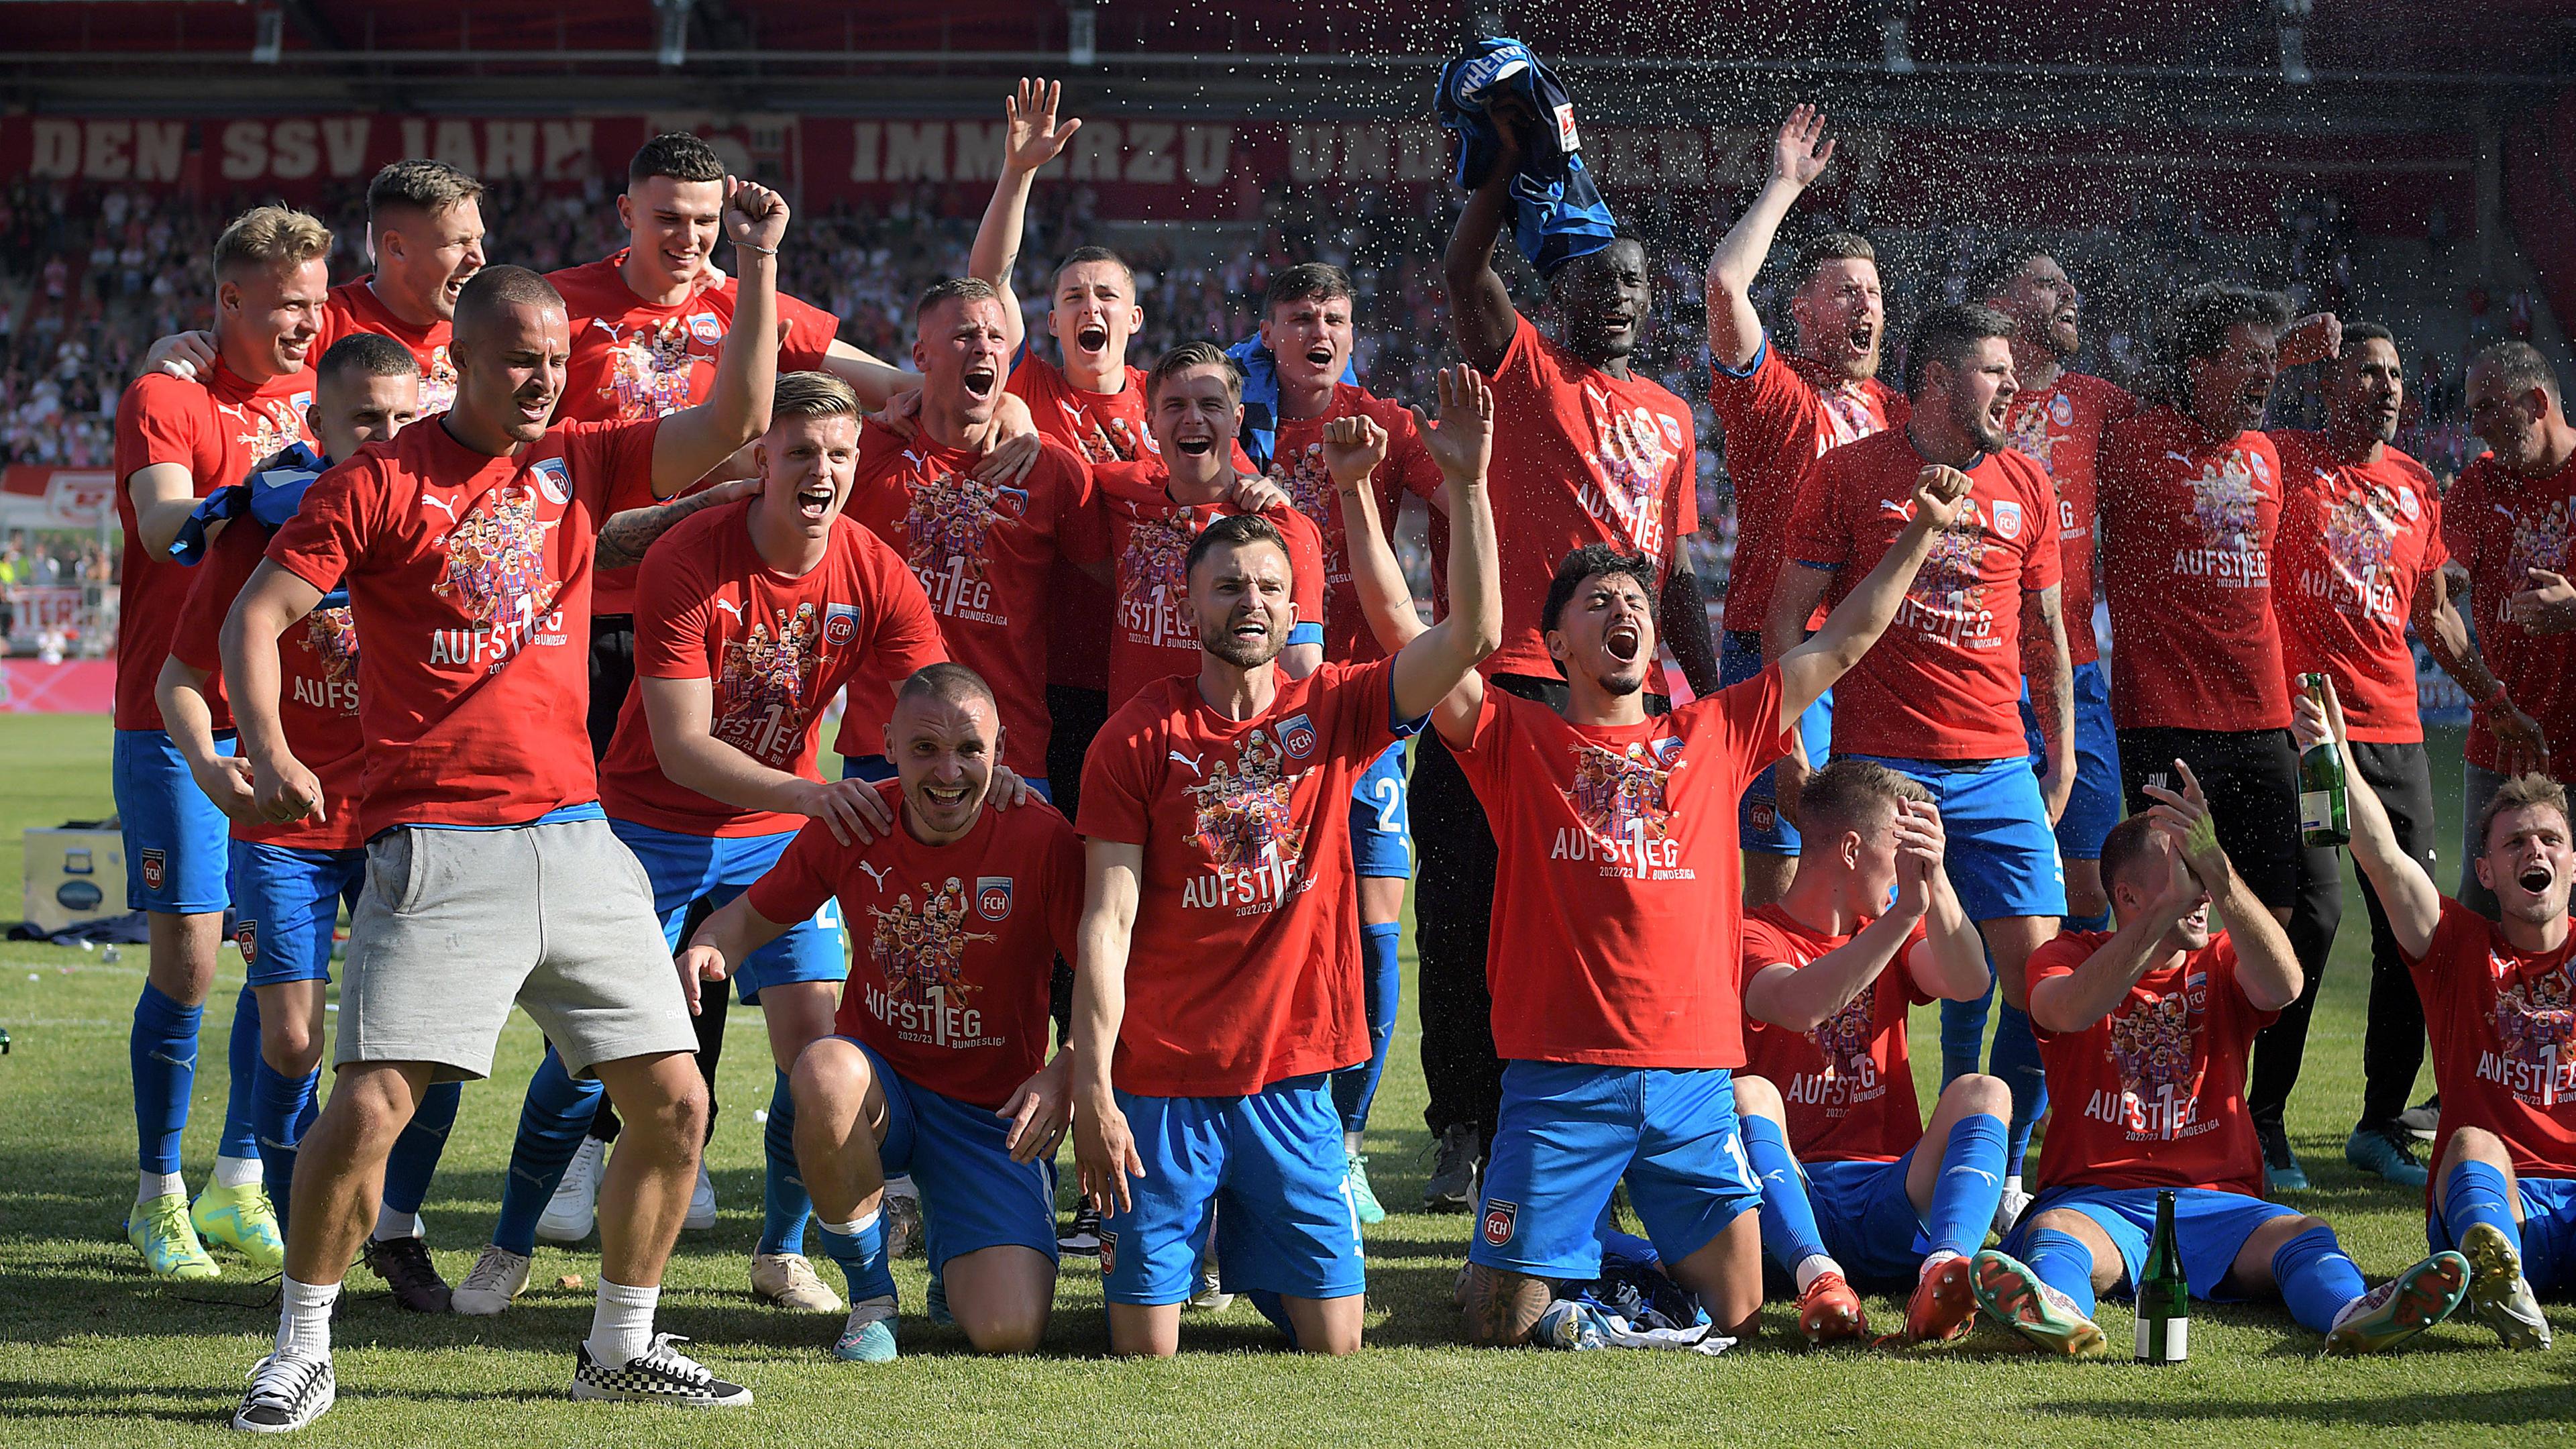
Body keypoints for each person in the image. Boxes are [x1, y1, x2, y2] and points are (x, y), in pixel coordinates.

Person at [215, 184, 788, 1428]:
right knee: (370, 1103)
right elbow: (254, 615)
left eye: (557, 364)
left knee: (677, 1099)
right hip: (437, 840)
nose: (541, 384)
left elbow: (740, 412)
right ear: (457, 363)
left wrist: (755, 260)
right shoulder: (376, 481)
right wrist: (266, 742)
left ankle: (620, 1344)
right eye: (520, 364)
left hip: (579, 839)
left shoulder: (578, 463)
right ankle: (301, 1345)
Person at [1420, 451, 1974, 1347]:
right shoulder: (1516, 739)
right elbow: (1434, 647)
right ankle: (1568, 1257)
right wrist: (1437, 488)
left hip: (1693, 1083)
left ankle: (1604, 1263)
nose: (1625, 611)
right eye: (1597, 603)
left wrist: (1920, 531)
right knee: (1496, 1323)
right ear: (1556, 645)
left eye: (1634, 601)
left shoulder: (1715, 731)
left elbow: (1844, 641)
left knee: (1741, 1316)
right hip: (1562, 1079)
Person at [455, 370, 949, 1320]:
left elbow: (934, 699)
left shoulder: (875, 568)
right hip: (649, 827)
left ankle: (783, 1252)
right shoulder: (691, 555)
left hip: (774, 841)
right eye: (800, 451)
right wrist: (818, 793)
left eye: (839, 454)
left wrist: (968, 771)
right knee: (588, 1052)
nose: (821, 470)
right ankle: (508, 1244)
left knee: (817, 1056)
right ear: (762, 460)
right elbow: (683, 750)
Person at [1067, 364, 1501, 1358]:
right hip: (1165, 1085)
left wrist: (1468, 484)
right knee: (1147, 1350)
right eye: (1228, 586)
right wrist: (1094, 1088)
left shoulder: (1336, 711)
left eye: (1269, 586)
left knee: (1336, 1343)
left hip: (1292, 1085)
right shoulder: (1136, 738)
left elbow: (1470, 634)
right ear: (1189, 607)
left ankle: (1251, 1228)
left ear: (1293, 602)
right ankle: (1199, 1228)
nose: (1251, 601)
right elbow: (1108, 922)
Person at [1421, 92, 1719, 1214]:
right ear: (1563, 294)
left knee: (1597, 921)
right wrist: (1498, 172)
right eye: (1602, 280)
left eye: (1639, 284)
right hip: (1507, 695)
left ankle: (1590, 1134)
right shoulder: (1531, 376)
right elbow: (1461, 276)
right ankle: (1462, 1128)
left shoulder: (1673, 415)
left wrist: (1707, 696)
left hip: (1624, 712)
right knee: (1465, 915)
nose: (1625, 299)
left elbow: (1676, 572)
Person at [156, 333, 461, 1314]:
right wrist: (212, 765)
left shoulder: (454, 516)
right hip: (285, 825)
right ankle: (304, 1245)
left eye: (400, 417)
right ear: (316, 424)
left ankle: (396, 1230)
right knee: (291, 1043)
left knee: (437, 1044)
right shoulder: (259, 528)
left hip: (407, 816)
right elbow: (181, 680)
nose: (383, 435)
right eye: (362, 418)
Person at [1971, 772, 2471, 1358]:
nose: (2203, 889)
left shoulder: (2223, 956)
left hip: (2220, 1202)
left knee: (2305, 1236)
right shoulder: (2068, 954)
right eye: (2186, 868)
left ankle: (2355, 1313)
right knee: (2057, 1238)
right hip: (2097, 1200)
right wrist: (2163, 918)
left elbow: (2284, 984)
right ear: (2129, 897)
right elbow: (2072, 1009)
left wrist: (2223, 875)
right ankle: (2060, 1313)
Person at [1769, 302, 2072, 1228]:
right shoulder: (1850, 474)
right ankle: (1876, 1147)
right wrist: (1791, 748)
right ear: (1937, 381)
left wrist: (2057, 768)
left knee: (2043, 978)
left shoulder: (2029, 483)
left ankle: (2008, 1164)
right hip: (1881, 768)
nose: (2015, 387)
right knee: (1879, 968)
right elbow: (1789, 621)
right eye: (1995, 372)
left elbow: (2049, 636)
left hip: (1997, 766)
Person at [682, 662, 1083, 1362]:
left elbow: (1111, 975)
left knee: (1007, 1331)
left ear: (1001, 750)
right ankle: (871, 1299)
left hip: (990, 1118)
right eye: (926, 748)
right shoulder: (856, 821)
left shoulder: (1041, 836)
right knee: (822, 1070)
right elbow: (746, 921)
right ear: (888, 743)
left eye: (970, 750)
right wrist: (706, 946)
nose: (950, 771)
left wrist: (1067, 1069)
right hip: (883, 1092)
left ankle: (958, 1262)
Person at [113, 203, 329, 1283]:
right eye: (289, 304)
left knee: (278, 963)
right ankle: (156, 1195)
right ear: (229, 300)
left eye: (319, 302)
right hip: (173, 711)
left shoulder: (327, 382)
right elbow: (161, 525)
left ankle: (239, 1183)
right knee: (191, 960)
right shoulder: (169, 393)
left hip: (288, 719)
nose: (310, 321)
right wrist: (249, 496)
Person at [1247, 261, 1446, 1222]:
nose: (1319, 330)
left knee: (1373, 941)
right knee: (1261, 926)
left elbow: (1458, 498)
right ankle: (1254, 1124)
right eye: (1300, 317)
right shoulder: (1236, 415)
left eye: (1335, 315)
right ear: (1271, 332)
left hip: (1363, 721)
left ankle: (1351, 1143)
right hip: (1252, 727)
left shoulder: (1385, 423)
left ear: (1353, 331)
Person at [2297, 680, 2565, 1348]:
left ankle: (2498, 1282)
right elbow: (2385, 859)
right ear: (2486, 870)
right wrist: (2337, 757)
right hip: (2493, 1199)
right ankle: (2497, 1273)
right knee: (2472, 1140)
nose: (2535, 851)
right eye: (2515, 844)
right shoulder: (2456, 947)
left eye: (2550, 841)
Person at [1955, 247, 2141, 1212]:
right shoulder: (1962, 396)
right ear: (1999, 306)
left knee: (2074, 901)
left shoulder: (2103, 401)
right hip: (1976, 678)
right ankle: (1965, 1136)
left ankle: (2034, 1135)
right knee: (1969, 916)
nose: (2073, 298)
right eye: (2048, 287)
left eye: (2077, 286)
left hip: (2076, 677)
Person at [2253, 324, 2449, 1189]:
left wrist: (2490, 695)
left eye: (2399, 373)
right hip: (2313, 731)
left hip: (2401, 735)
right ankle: (2265, 1124)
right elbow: (2223, 427)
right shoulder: (2286, 460)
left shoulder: (2418, 485)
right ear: (2331, 388)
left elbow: (2436, 613)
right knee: (2317, 920)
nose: (2388, 386)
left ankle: (2378, 1126)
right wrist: (2285, 355)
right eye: (2368, 373)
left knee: (2418, 935)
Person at [1705, 105, 1909, 912]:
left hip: (1881, 667)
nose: (1865, 304)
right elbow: (1724, 286)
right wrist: (1785, 186)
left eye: (1874, 291)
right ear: (1800, 311)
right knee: (1784, 886)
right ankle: (1769, 1038)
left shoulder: (1901, 414)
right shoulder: (1781, 404)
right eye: (1845, 291)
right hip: (1781, 657)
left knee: (1879, 885)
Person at [1734, 760, 2006, 1346]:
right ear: (1853, 849)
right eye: (1904, 848)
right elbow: (1798, 1003)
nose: (1908, 868)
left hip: (1890, 1194)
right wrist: (1906, 910)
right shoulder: (1752, 933)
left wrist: (1936, 883)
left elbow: (1969, 980)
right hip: (1790, 1200)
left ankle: (1943, 1272)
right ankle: (1818, 1278)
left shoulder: (1890, 927)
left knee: (1986, 1092)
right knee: (1746, 1093)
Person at [835, 277, 1093, 794]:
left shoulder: (1053, 472)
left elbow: (1113, 583)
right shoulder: (860, 454)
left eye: (997, 338)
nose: (983, 347)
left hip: (1008, 752)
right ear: (920, 356)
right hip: (883, 745)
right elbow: (793, 357)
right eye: (963, 336)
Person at [1073, 343, 1328, 711]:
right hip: (1133, 754)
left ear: (1237, 420)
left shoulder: (1284, 530)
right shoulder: (1119, 492)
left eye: (1210, 405)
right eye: (1175, 405)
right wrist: (1012, 410)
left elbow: (1302, 677)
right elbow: (1052, 461)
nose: (1193, 418)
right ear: (1152, 423)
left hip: (1228, 759)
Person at [145, 160, 486, 412]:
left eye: (479, 240)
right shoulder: (323, 326)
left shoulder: (484, 325)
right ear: (396, 247)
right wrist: (162, 355)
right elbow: (225, 376)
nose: (479, 259)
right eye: (458, 243)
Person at [2434, 339, 2576, 917]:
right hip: (2501, 740)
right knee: (2480, 914)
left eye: (2489, 408)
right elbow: (2443, 579)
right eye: (2471, 412)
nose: (2478, 427)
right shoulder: (2480, 484)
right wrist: (2439, 578)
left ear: (2537, 402)